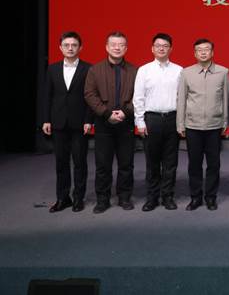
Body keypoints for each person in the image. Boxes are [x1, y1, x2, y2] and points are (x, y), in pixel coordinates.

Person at [84, 31, 137, 214]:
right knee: (103, 165)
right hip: (103, 124)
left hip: (126, 123)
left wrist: (125, 112)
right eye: (113, 44)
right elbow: (89, 94)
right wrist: (106, 114)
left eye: (121, 45)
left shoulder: (135, 70)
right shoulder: (95, 70)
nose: (117, 48)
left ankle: (124, 197)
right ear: (107, 47)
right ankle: (102, 200)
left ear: (126, 48)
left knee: (126, 164)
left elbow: (139, 96)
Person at [41, 31, 93, 213]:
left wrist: (89, 120)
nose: (70, 48)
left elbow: (90, 97)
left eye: (74, 45)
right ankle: (63, 198)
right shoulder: (52, 69)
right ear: (60, 47)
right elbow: (47, 95)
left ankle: (78, 198)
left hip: (80, 123)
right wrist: (46, 120)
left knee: (80, 162)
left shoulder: (88, 68)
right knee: (61, 163)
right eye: (66, 45)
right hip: (58, 122)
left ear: (80, 48)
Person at [176, 38, 229, 211]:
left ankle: (211, 197)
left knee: (214, 164)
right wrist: (180, 124)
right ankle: (196, 198)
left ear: (212, 52)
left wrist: (225, 122)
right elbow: (181, 100)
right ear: (195, 53)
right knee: (194, 164)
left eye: (207, 49)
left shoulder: (223, 72)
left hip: (214, 126)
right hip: (193, 126)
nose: (203, 52)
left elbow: (226, 99)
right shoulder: (186, 73)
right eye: (200, 50)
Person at [133, 33, 182, 211]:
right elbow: (138, 97)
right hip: (151, 119)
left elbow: (182, 98)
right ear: (152, 49)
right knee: (152, 162)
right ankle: (152, 197)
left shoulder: (179, 70)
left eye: (165, 45)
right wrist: (140, 122)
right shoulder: (144, 70)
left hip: (172, 119)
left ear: (171, 49)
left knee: (171, 162)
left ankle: (168, 196)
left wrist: (181, 122)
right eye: (158, 45)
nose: (162, 48)